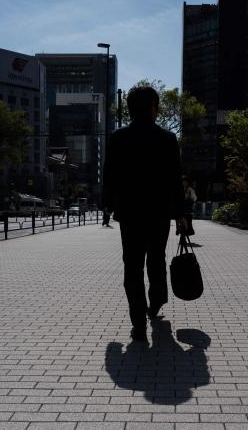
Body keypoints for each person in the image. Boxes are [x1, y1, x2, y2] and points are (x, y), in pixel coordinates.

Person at [102, 86, 186, 342]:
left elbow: (110, 174)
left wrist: (107, 203)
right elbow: (175, 179)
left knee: (133, 267)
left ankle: (138, 322)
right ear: (153, 107)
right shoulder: (167, 139)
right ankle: (156, 301)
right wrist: (181, 213)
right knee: (156, 260)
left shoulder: (118, 138)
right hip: (159, 213)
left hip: (129, 213)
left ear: (130, 108)